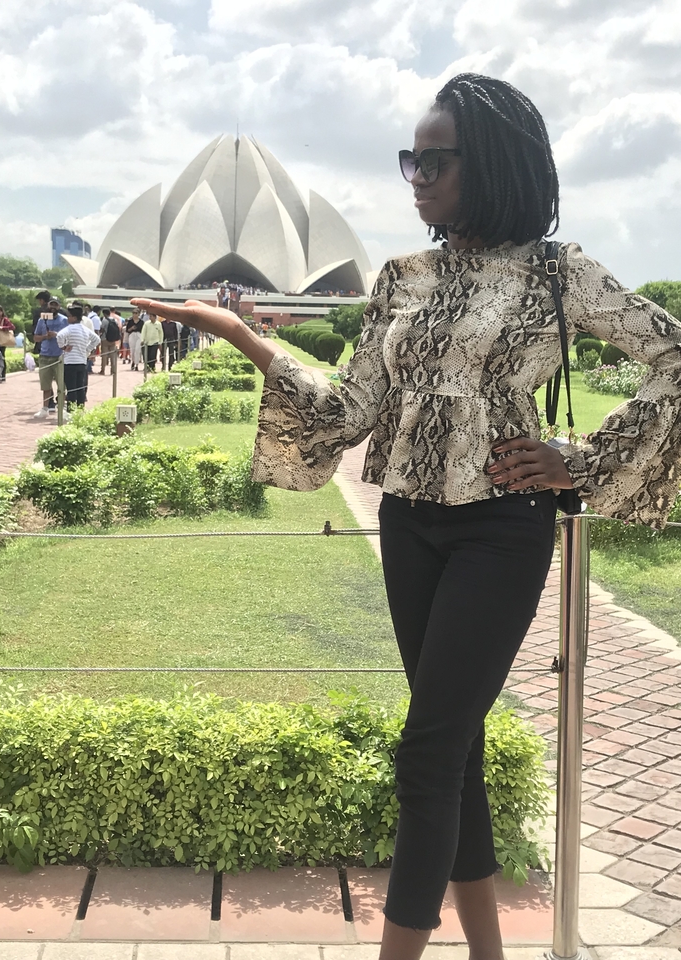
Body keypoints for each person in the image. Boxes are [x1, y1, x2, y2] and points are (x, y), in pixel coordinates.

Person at [131, 73, 681, 960]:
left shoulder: (556, 272)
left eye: (436, 159)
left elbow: (673, 358)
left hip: (502, 527)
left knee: (425, 752)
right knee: (452, 747)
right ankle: (490, 953)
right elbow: (350, 410)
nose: (416, 175)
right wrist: (238, 335)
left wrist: (579, 460)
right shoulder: (402, 276)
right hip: (410, 522)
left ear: (493, 164)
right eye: (409, 159)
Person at [56, 306, 100, 409]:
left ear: (74, 318)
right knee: (80, 387)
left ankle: (71, 409)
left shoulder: (69, 328)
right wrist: (87, 350)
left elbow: (59, 336)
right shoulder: (84, 329)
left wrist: (63, 347)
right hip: (81, 361)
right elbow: (96, 340)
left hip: (70, 362)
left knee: (71, 388)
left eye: (69, 316)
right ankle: (80, 409)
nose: (68, 318)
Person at [33, 298, 68, 419]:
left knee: (61, 384)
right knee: (45, 385)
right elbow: (35, 337)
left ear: (59, 307)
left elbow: (68, 337)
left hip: (59, 356)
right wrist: (44, 337)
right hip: (45, 355)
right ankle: (45, 408)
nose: (53, 307)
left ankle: (62, 408)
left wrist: (56, 335)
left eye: (56, 305)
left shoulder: (64, 320)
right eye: (51, 304)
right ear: (47, 305)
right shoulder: (42, 320)